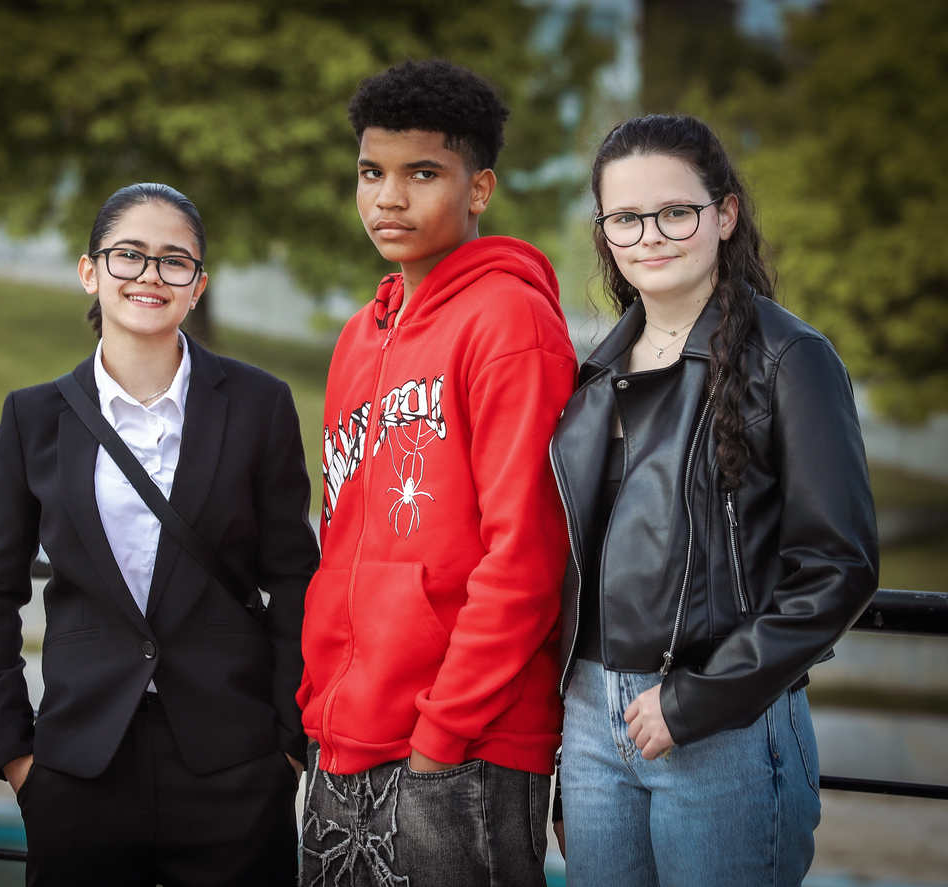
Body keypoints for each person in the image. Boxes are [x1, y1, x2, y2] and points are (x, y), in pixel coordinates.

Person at [550, 114, 879, 885]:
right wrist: (573, 745)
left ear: (724, 214)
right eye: (626, 218)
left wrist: (694, 701)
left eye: (676, 212)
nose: (650, 237)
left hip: (725, 722)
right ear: (605, 231)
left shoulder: (790, 358)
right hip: (592, 720)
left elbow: (838, 567)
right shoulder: (594, 374)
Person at [0, 182, 320, 887]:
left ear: (198, 284)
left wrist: (289, 741)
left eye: (173, 261)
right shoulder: (32, 417)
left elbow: (294, 577)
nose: (150, 275)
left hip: (235, 765)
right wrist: (12, 751)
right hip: (78, 768)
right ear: (90, 271)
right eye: (128, 255)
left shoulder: (260, 403)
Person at [297, 59, 577, 886]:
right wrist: (319, 705)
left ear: (479, 187)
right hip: (342, 742)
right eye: (371, 173)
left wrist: (439, 738)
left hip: (461, 753)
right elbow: (341, 533)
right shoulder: (360, 334)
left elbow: (527, 554)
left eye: (422, 173)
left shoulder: (512, 320)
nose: (388, 198)